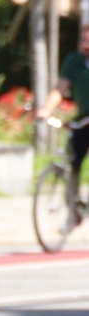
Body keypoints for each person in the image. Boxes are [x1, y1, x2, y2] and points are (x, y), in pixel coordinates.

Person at [64, 19, 89, 202]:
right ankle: (73, 206)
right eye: (83, 39)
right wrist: (46, 110)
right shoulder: (74, 61)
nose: (85, 43)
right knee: (73, 160)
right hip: (84, 119)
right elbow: (60, 89)